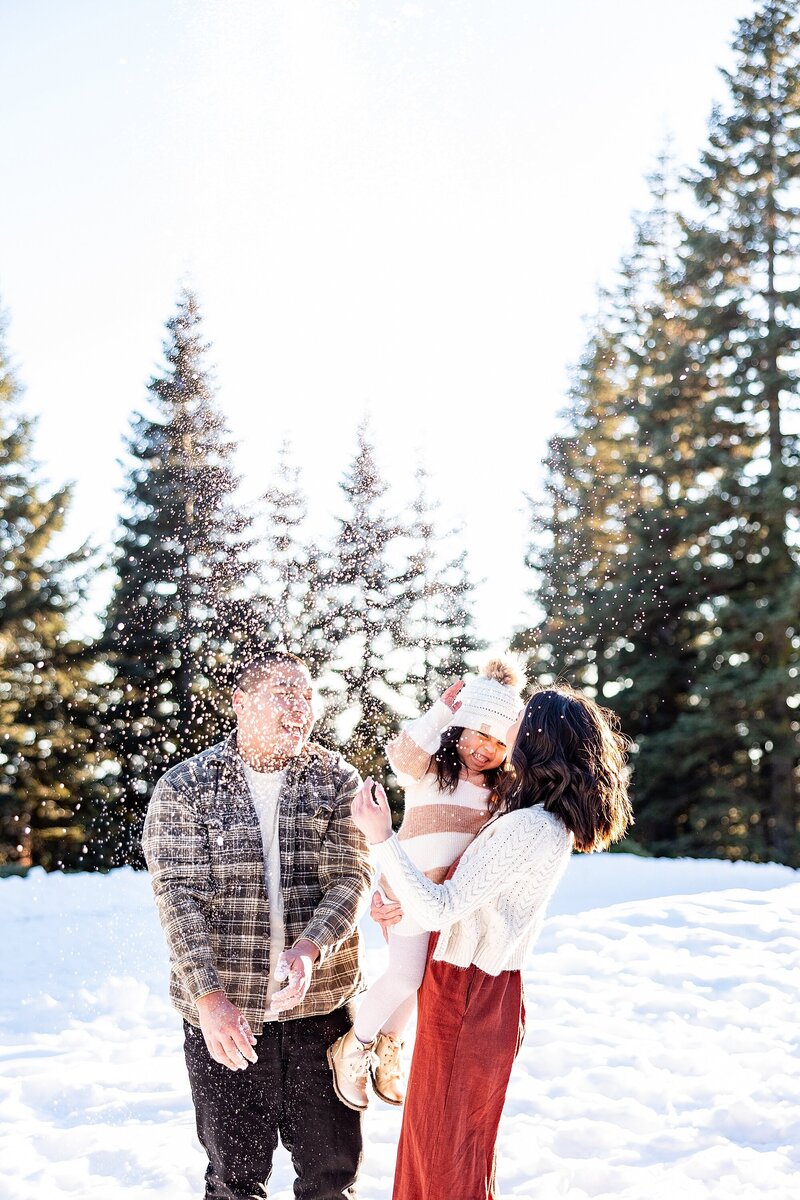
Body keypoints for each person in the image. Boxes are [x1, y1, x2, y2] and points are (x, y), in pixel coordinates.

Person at [351, 683, 633, 1200]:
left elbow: (442, 907)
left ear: (536, 740)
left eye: (519, 722)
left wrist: (381, 838)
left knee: (443, 1156)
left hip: (468, 993)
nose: (507, 729)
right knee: (448, 1148)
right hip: (473, 990)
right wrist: (396, 892)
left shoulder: (528, 827)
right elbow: (447, 889)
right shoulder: (526, 816)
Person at [142, 651, 373, 1200]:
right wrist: (209, 999)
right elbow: (179, 900)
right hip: (225, 1014)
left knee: (331, 1178)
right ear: (241, 703)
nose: (301, 707)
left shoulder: (337, 780)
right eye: (284, 693)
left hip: (321, 1010)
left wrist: (310, 947)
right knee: (234, 1181)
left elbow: (352, 876)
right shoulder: (186, 787)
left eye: (308, 695)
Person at [327, 658, 523, 1112]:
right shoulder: (433, 770)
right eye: (478, 732)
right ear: (461, 727)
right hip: (407, 890)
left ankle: (389, 1048)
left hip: (449, 902)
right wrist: (440, 712)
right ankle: (354, 1046)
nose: (485, 748)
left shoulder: (503, 793)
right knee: (405, 975)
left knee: (420, 983)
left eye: (498, 741)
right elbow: (402, 755)